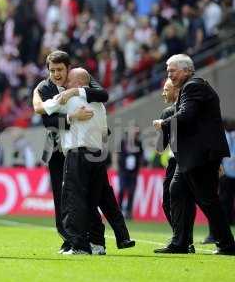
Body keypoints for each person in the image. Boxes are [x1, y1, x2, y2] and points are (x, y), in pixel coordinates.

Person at [33, 50, 134, 253]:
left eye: (60, 70)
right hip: (57, 149)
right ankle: (72, 239)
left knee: (90, 195)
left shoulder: (80, 81)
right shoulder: (45, 87)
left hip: (79, 148)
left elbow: (103, 95)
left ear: (68, 69)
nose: (56, 74)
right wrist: (72, 117)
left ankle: (92, 240)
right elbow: (47, 120)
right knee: (66, 197)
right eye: (52, 70)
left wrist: (73, 93)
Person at [153, 54, 235, 255]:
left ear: (187, 70)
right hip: (191, 156)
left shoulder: (193, 86)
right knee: (178, 191)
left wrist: (164, 123)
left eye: (172, 70)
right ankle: (180, 242)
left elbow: (186, 114)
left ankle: (227, 244)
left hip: (201, 154)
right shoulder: (190, 87)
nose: (169, 74)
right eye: (168, 70)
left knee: (207, 199)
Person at [155, 78, 196, 253]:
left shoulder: (167, 113)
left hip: (178, 161)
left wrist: (160, 131)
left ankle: (182, 240)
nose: (163, 93)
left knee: (169, 201)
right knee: (189, 202)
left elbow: (159, 147)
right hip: (193, 159)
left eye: (166, 89)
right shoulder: (194, 111)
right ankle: (185, 240)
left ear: (177, 92)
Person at [117, 130, 143, 220]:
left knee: (131, 192)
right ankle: (119, 211)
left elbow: (141, 156)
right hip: (123, 171)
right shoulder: (123, 143)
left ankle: (129, 212)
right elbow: (119, 155)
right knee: (122, 190)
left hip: (133, 172)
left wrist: (139, 166)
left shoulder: (138, 143)